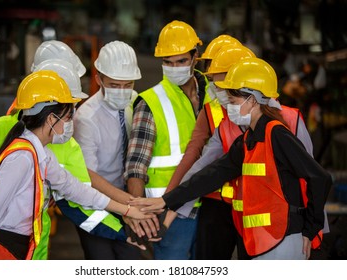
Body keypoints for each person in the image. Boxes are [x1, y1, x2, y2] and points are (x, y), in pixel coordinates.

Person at [130, 57, 332, 260]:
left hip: (285, 240)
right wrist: (166, 201)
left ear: (252, 100)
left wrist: (311, 229)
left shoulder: (276, 134)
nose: (229, 107)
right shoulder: (247, 140)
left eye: (233, 102)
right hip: (263, 242)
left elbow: (320, 178)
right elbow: (211, 175)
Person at [0, 70, 153, 260]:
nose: (70, 124)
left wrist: (126, 210)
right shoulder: (22, 159)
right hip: (5, 246)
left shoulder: (42, 154)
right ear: (51, 119)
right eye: (68, 117)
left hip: (19, 246)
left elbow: (76, 190)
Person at [163, 44, 257, 260]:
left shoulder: (277, 119)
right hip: (217, 204)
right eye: (212, 80)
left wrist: (312, 229)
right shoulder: (214, 113)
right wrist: (169, 202)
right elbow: (196, 160)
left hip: (256, 207)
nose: (215, 87)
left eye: (220, 80)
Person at [124, 20, 208, 260]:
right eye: (168, 63)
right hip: (171, 213)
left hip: (213, 204)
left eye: (181, 61)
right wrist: (141, 213)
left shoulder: (214, 93)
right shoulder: (150, 102)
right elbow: (135, 167)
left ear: (195, 57)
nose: (174, 68)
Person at [72, 40, 155, 260]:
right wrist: (128, 206)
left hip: (128, 197)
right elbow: (89, 177)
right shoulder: (86, 118)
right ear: (99, 79)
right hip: (96, 204)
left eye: (127, 85)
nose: (122, 91)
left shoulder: (135, 103)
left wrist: (133, 205)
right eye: (114, 85)